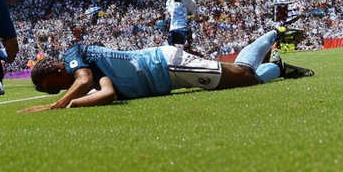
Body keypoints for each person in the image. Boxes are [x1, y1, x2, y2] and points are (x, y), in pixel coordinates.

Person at [21, 25, 312, 112]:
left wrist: (55, 106)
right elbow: (106, 94)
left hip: (166, 64)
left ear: (55, 69)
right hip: (168, 74)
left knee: (245, 74)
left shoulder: (75, 54)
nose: (62, 88)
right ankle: (278, 67)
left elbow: (82, 81)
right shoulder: (95, 70)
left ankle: (274, 33)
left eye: (55, 85)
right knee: (248, 80)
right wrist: (72, 105)